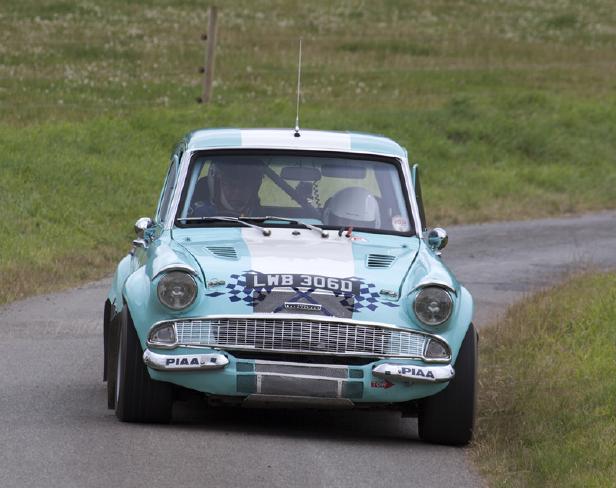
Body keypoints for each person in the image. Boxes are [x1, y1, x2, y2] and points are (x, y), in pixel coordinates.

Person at [190, 157, 265, 217]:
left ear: (254, 188)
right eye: (231, 185)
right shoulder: (197, 216)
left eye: (244, 186)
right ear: (216, 186)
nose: (237, 193)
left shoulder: (264, 218)